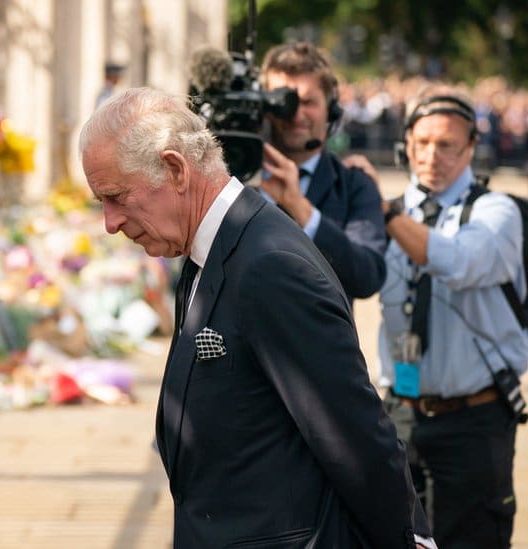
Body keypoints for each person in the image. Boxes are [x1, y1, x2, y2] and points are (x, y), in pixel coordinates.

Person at [80, 87, 433, 549]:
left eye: (116, 196)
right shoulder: (212, 247)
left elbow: (354, 436)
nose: (109, 221)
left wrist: (410, 540)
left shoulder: (268, 264)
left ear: (174, 169)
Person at [375, 84, 528, 548]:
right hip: (401, 413)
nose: (431, 156)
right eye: (421, 143)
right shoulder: (391, 214)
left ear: (470, 149)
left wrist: (381, 214)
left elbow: (458, 261)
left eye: (446, 145)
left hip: (474, 420)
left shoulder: (496, 212)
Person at [258, 42, 387, 303]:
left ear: (332, 109)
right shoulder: (230, 177)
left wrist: (301, 210)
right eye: (283, 100)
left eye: (307, 101)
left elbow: (367, 276)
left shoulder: (353, 184)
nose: (296, 114)